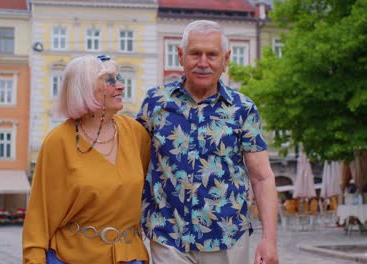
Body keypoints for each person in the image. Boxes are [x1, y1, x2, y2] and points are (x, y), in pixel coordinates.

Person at [137, 20, 279, 264]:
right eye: (195, 53)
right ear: (181, 56)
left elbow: (262, 177)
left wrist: (270, 240)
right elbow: (135, 169)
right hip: (168, 236)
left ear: (226, 59)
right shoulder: (155, 103)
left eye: (212, 55)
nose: (203, 62)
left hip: (227, 237)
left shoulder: (242, 109)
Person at [23, 55, 151, 264]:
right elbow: (40, 213)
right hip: (72, 256)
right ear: (85, 88)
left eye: (119, 79)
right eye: (110, 80)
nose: (120, 86)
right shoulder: (58, 141)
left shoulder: (135, 133)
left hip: (129, 256)